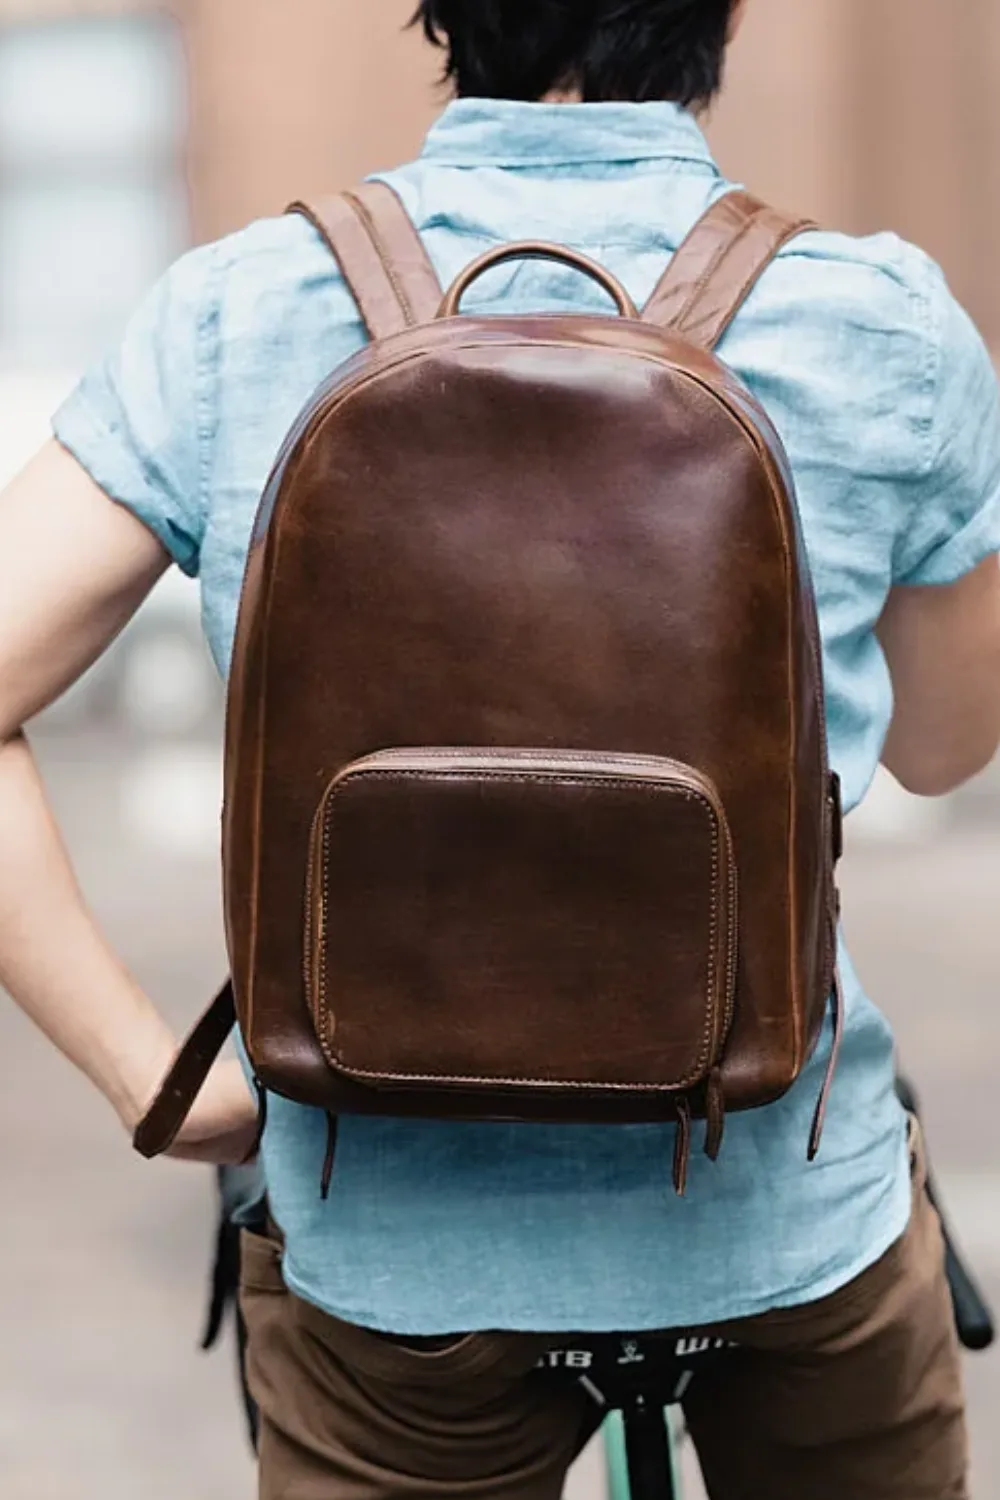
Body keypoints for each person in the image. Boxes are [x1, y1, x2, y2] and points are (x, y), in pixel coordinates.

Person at [1, 1, 998, 1495]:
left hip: (391, 1269)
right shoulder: (882, 321)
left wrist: (163, 1081)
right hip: (790, 1232)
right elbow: (939, 752)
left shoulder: (236, 309)